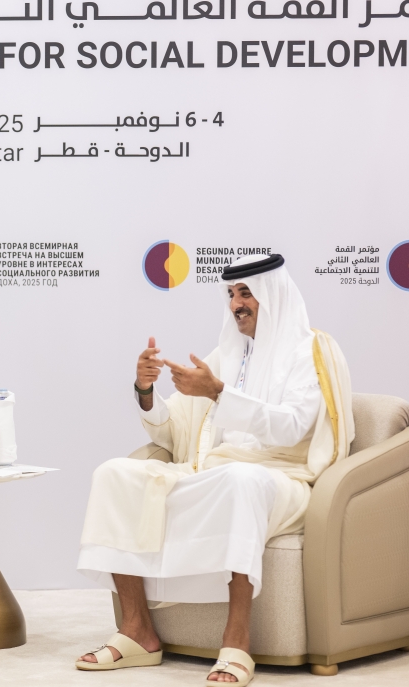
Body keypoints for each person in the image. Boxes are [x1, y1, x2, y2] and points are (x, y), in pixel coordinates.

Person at [75, 254, 353, 686]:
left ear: (271, 295)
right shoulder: (227, 354)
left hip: (285, 478)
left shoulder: (311, 350)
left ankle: (236, 642)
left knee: (240, 481)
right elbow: (176, 431)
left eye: (245, 293)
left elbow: (293, 425)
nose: (236, 304)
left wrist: (220, 394)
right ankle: (137, 631)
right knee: (115, 472)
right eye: (231, 294)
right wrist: (146, 391)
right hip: (214, 471)